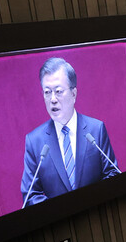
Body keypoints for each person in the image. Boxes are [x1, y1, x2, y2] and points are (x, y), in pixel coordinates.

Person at [21, 58, 118, 206]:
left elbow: (113, 174)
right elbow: (30, 195)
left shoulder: (95, 130)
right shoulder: (35, 142)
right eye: (47, 92)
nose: (52, 99)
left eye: (58, 91)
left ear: (74, 94)